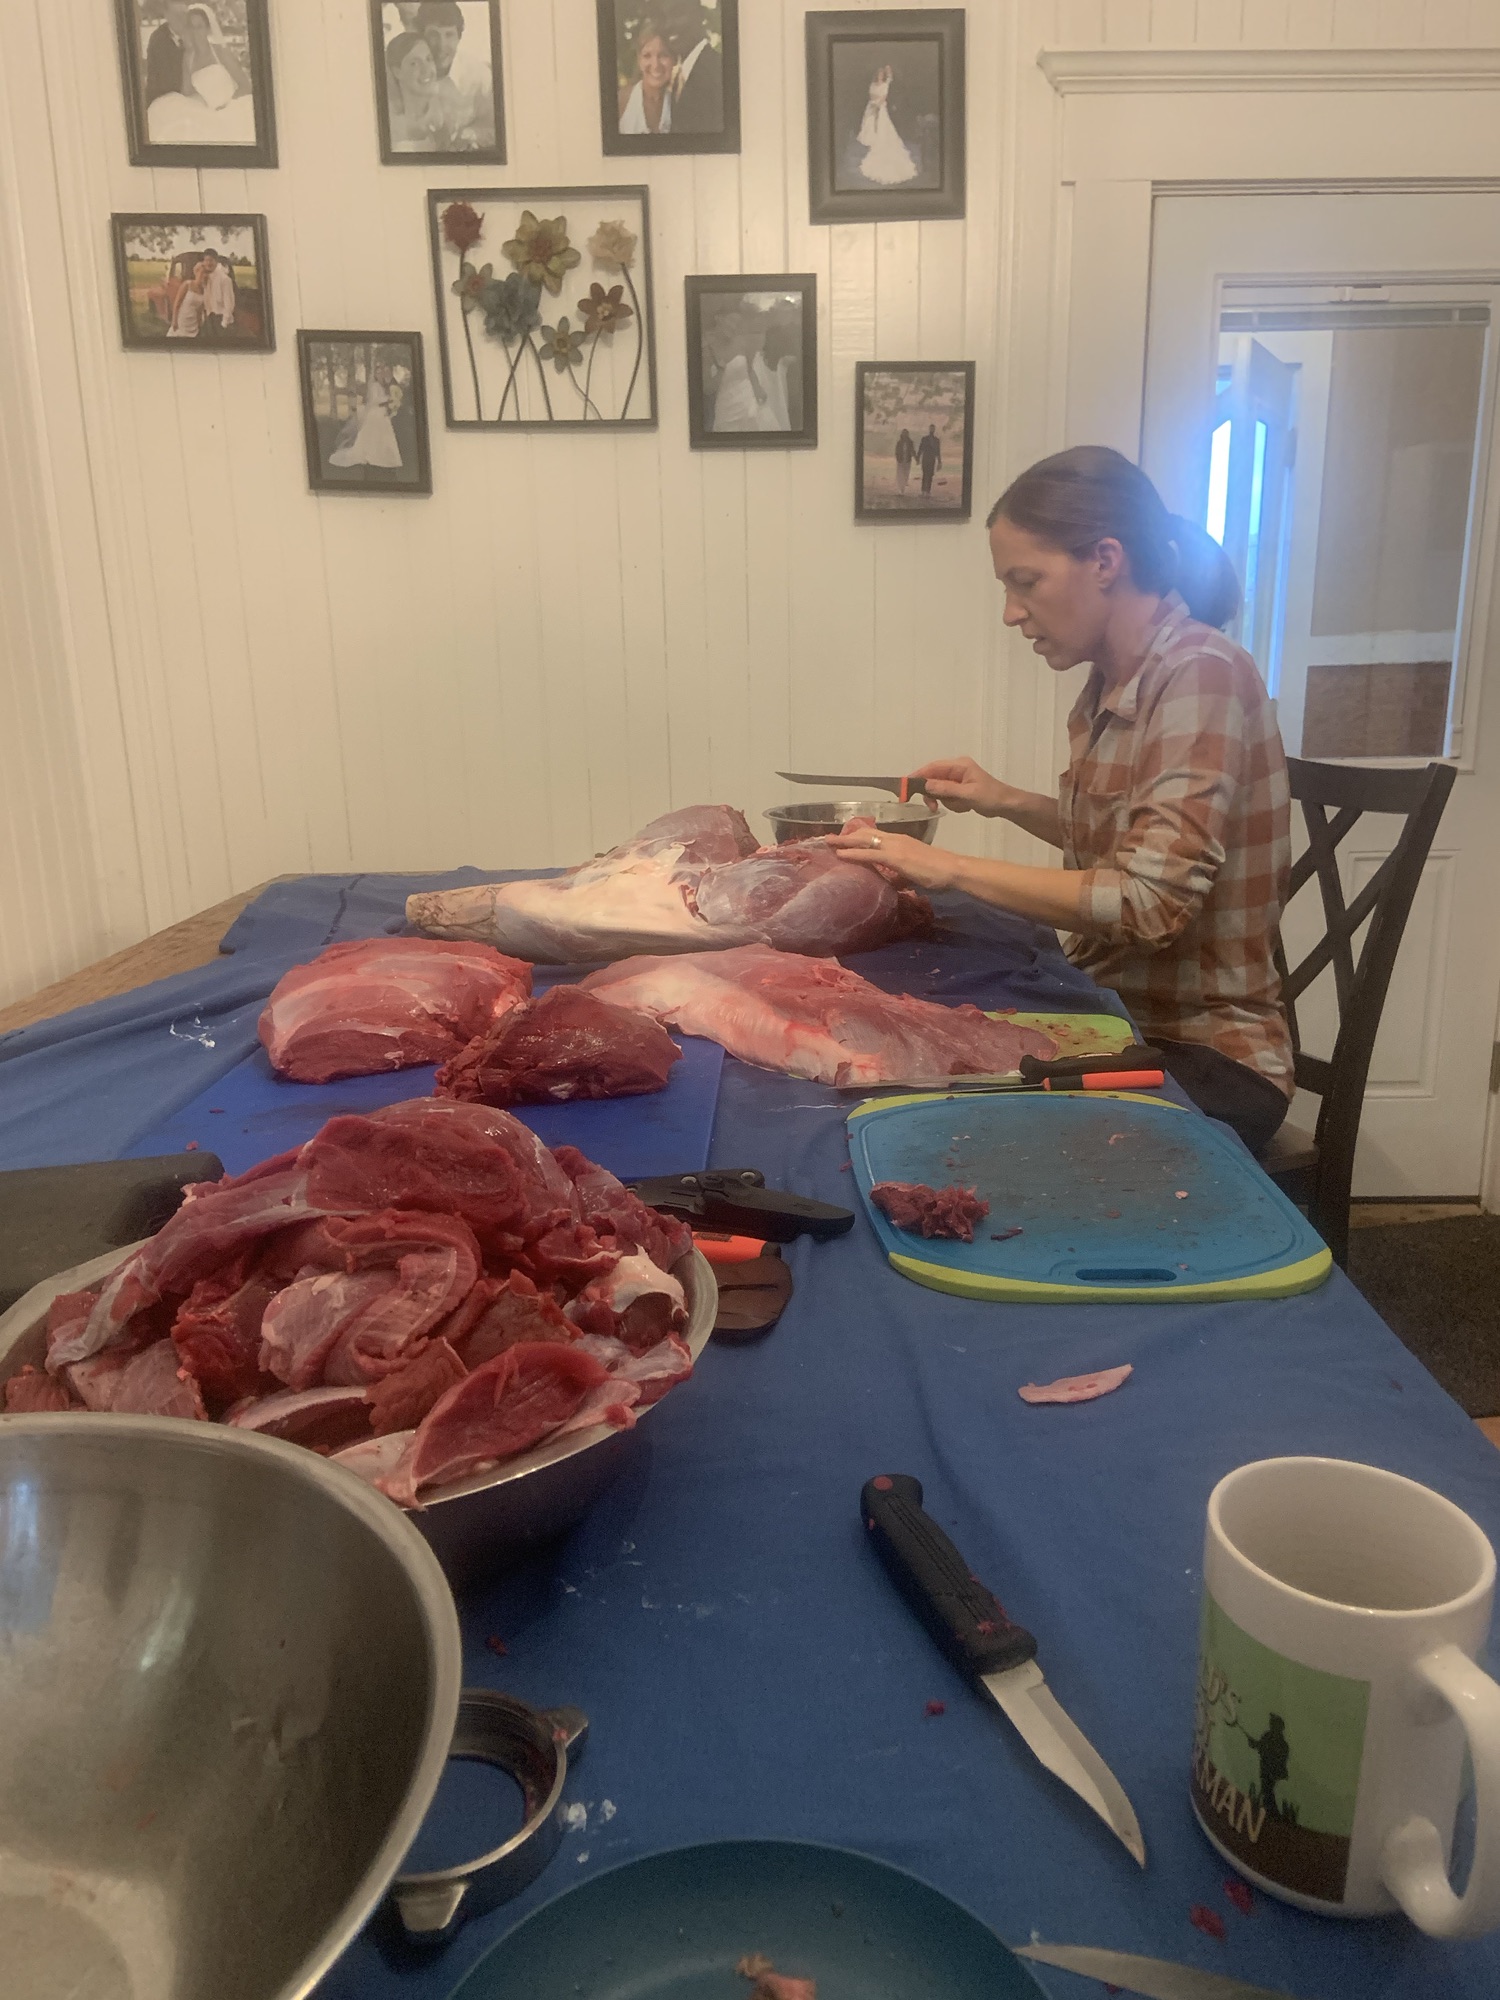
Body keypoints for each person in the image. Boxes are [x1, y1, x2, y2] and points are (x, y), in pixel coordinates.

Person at [826, 445, 1293, 1153]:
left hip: (1204, 1053)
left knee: (934, 1124)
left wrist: (949, 868)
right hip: (1114, 1017)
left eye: (1026, 582)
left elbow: (1147, 902)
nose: (1012, 613)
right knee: (903, 1057)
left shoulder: (1201, 674)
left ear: (1105, 560)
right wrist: (1003, 799)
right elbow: (1121, 846)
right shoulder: (1113, 684)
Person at [419, 0, 494, 146]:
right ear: (421, 36)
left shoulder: (480, 76)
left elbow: (494, 128)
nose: (441, 46)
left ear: (459, 37)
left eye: (449, 35)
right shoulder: (403, 72)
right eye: (434, 35)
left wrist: (469, 136)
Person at [329, 363, 403, 473]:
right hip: (376, 413)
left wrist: (391, 402)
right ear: (375, 375)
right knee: (374, 435)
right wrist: (388, 400)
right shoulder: (374, 386)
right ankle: (373, 456)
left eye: (381, 373)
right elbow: (374, 401)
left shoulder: (385, 386)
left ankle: (387, 457)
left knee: (385, 435)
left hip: (382, 413)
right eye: (378, 373)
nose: (380, 375)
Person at [856, 63, 917, 187]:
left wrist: (878, 104)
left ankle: (882, 148)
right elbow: (872, 95)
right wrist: (874, 104)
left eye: (882, 75)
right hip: (872, 107)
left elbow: (884, 96)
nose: (880, 76)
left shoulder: (885, 85)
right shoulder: (873, 85)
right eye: (879, 74)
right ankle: (874, 144)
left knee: (883, 129)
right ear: (876, 75)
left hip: (881, 109)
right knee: (871, 128)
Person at [666, 3, 723, 135]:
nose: (668, 25)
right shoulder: (678, 78)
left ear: (699, 16)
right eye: (666, 18)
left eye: (677, 14)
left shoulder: (718, 70)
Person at [385, 30, 445, 149]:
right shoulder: (392, 131)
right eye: (414, 64)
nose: (426, 69)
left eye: (429, 59)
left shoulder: (448, 114)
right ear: (397, 72)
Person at [618, 19, 675, 135]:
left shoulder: (681, 103)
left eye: (663, 55)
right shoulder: (622, 101)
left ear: (673, 60)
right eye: (647, 55)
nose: (655, 65)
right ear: (639, 60)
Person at [199, 248, 236, 338]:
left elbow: (229, 304)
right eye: (206, 260)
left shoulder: (225, 279)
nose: (208, 263)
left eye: (211, 260)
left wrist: (224, 324)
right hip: (209, 319)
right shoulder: (206, 277)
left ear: (216, 261)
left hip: (221, 319)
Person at [168, 266, 207, 339]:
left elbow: (200, 310)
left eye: (206, 273)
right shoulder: (187, 284)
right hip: (182, 319)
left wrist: (199, 324)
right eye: (202, 273)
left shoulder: (204, 289)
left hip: (193, 323)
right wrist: (174, 320)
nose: (204, 275)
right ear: (196, 272)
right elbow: (177, 303)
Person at [915, 423, 942, 497]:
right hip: (925, 459)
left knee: (930, 475)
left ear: (934, 430)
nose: (932, 430)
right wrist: (918, 458)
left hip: (932, 459)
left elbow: (938, 452)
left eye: (933, 429)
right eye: (931, 428)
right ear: (929, 429)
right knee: (924, 474)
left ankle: (928, 491)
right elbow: (920, 449)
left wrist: (939, 462)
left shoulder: (936, 440)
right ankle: (923, 491)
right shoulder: (924, 439)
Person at [894, 427, 916, 495]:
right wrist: (898, 458)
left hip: (907, 460)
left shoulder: (910, 442)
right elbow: (897, 451)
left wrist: (916, 458)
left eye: (906, 433)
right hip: (900, 461)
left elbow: (912, 451)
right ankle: (901, 489)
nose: (905, 435)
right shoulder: (899, 442)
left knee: (906, 474)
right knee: (900, 475)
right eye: (904, 433)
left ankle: (903, 487)